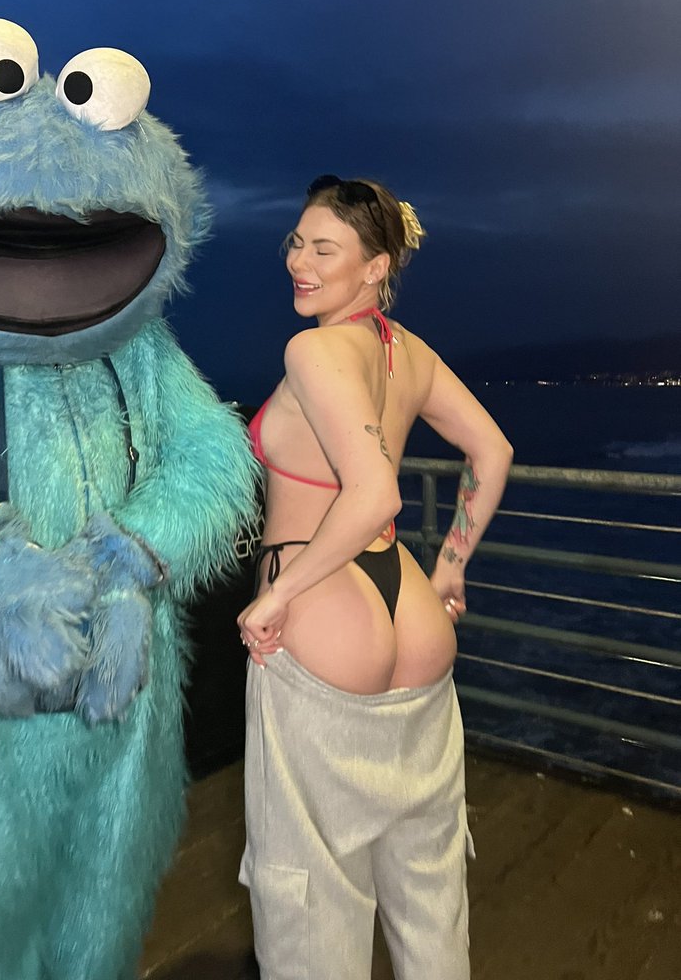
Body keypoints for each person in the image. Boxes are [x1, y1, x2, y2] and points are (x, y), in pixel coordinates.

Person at [237, 174, 513, 980]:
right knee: (429, 890)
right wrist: (450, 569)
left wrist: (278, 594)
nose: (299, 262)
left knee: (311, 894)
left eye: (324, 249)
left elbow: (374, 494)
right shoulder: (409, 353)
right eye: (296, 243)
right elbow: (492, 451)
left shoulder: (314, 350)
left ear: (374, 266)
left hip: (322, 610)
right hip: (413, 616)